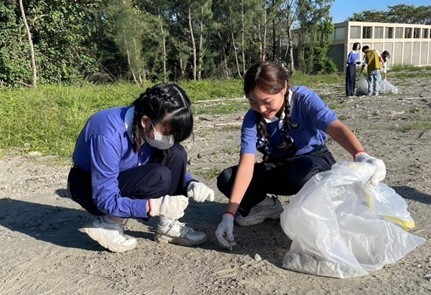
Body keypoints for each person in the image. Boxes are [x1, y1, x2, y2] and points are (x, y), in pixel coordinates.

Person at [215, 61, 386, 250]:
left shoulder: (304, 99)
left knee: (301, 174)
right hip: (279, 165)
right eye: (253, 102)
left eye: (267, 102)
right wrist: (228, 214)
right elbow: (247, 164)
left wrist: (360, 154)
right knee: (227, 178)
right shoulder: (252, 118)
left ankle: (318, 216)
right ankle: (266, 207)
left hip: (313, 161)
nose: (261, 109)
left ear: (284, 87)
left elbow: (335, 127)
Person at [67, 83, 215, 253]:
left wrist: (190, 183)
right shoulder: (107, 133)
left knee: (176, 153)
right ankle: (110, 224)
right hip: (90, 186)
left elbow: (164, 161)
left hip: (126, 177)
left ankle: (168, 226)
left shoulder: (147, 127)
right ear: (145, 121)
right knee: (159, 176)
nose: (171, 139)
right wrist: (152, 207)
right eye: (168, 134)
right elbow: (104, 198)